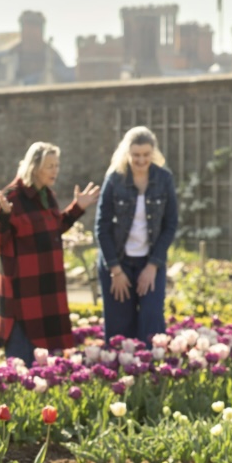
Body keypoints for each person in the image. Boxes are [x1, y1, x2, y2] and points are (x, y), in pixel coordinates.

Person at [0, 142, 100, 363]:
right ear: (34, 167)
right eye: (49, 166)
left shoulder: (47, 195)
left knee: (44, 367)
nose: (55, 170)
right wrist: (4, 216)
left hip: (47, 289)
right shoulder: (13, 196)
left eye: (57, 165)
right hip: (22, 293)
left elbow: (54, 228)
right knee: (20, 365)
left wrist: (78, 208)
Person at [94, 126, 178, 343]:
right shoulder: (114, 179)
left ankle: (151, 373)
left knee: (152, 324)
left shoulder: (164, 179)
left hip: (150, 263)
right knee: (120, 328)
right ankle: (121, 374)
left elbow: (170, 225)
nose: (141, 160)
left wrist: (152, 266)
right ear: (127, 153)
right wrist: (115, 270)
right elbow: (101, 227)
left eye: (146, 155)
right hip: (117, 263)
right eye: (136, 155)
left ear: (153, 153)